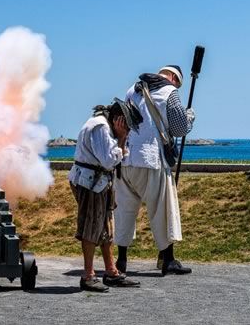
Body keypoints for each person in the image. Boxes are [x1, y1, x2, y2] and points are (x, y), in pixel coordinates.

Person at [114, 65, 195, 276]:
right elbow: (179, 129)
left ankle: (121, 260)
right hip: (151, 159)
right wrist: (189, 118)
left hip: (126, 158)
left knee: (123, 211)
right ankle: (168, 260)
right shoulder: (170, 92)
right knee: (161, 210)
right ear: (175, 79)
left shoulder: (133, 88)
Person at [69, 98, 143, 292]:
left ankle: (111, 271)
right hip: (91, 182)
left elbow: (117, 157)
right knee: (91, 228)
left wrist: (121, 141)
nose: (127, 130)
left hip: (98, 182)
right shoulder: (100, 128)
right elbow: (110, 160)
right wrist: (120, 139)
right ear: (119, 120)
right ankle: (88, 276)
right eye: (126, 126)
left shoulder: (103, 125)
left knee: (105, 228)